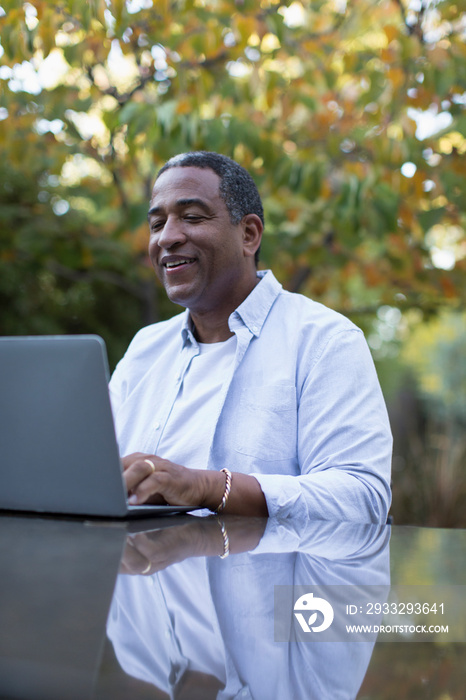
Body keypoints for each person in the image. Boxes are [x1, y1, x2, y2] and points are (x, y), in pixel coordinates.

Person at [109, 151, 392, 522]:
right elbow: (94, 475)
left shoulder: (324, 341)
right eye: (157, 223)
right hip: (141, 572)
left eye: (191, 217)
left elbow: (363, 498)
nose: (167, 237)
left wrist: (209, 488)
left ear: (249, 234)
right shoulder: (145, 348)